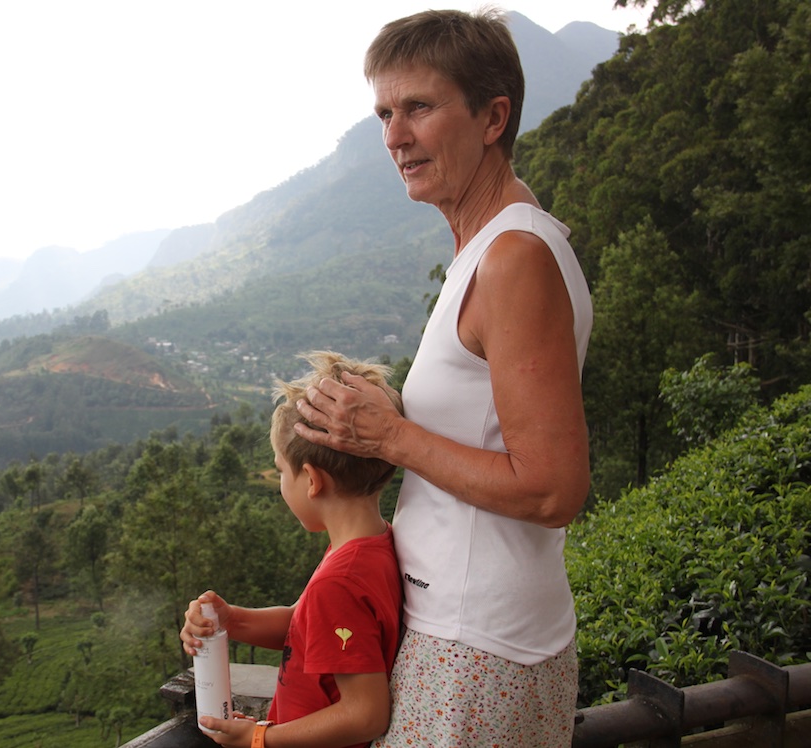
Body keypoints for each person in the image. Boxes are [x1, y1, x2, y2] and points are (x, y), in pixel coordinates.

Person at [294, 10, 593, 747]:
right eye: (386, 114)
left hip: (476, 644)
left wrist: (392, 436)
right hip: (472, 633)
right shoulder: (494, 247)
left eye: (419, 108)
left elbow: (554, 488)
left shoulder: (513, 258)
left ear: (494, 117)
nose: (395, 137)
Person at [180, 351, 404, 748]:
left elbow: (366, 713)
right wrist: (233, 620)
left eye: (282, 471)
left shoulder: (339, 582)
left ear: (313, 481)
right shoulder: (370, 545)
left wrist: (261, 738)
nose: (281, 482)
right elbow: (304, 627)